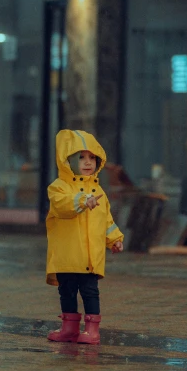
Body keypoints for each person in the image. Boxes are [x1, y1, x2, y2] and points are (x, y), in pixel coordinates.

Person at [45, 129, 124, 345]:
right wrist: (82, 201)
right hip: (67, 255)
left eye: (92, 158)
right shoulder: (58, 187)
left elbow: (106, 221)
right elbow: (62, 206)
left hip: (90, 256)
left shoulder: (99, 191)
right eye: (81, 157)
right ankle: (69, 328)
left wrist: (114, 239)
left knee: (90, 292)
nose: (88, 162)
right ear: (67, 160)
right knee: (67, 291)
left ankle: (92, 330)